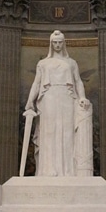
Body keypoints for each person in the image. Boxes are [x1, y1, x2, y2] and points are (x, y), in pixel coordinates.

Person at [24, 30, 92, 177]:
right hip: (48, 99)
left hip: (67, 98)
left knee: (67, 133)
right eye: (54, 42)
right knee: (49, 133)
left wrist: (82, 97)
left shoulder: (71, 63)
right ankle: (47, 170)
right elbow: (36, 83)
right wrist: (30, 102)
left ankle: (68, 170)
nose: (57, 45)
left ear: (64, 43)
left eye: (60, 42)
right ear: (50, 44)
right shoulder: (43, 63)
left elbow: (78, 81)